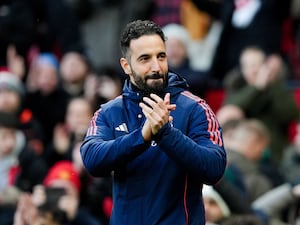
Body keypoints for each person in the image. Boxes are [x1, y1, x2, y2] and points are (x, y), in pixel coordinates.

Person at [80, 19, 226, 225]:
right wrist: (142, 136)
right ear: (126, 66)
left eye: (161, 56)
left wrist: (166, 133)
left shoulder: (195, 108)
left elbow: (214, 168)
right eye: (145, 59)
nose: (156, 67)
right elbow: (93, 161)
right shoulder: (109, 113)